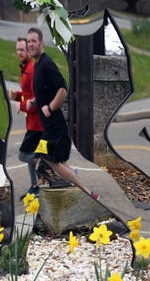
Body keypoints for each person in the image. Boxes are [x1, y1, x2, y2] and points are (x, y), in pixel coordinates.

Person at [26, 27, 97, 198]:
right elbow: (45, 92)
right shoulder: (39, 65)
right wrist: (34, 102)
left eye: (33, 41)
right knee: (48, 158)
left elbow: (62, 90)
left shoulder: (47, 64)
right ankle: (66, 178)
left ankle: (87, 191)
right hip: (48, 126)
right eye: (28, 42)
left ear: (41, 43)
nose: (30, 45)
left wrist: (50, 107)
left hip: (54, 126)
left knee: (49, 158)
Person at [9, 37, 44, 197]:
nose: (19, 53)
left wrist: (21, 105)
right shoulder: (26, 68)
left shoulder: (32, 69)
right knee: (32, 155)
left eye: (22, 50)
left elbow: (37, 98)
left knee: (24, 155)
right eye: (17, 50)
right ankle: (35, 186)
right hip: (33, 123)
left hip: (38, 124)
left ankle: (46, 165)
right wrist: (17, 96)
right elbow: (28, 95)